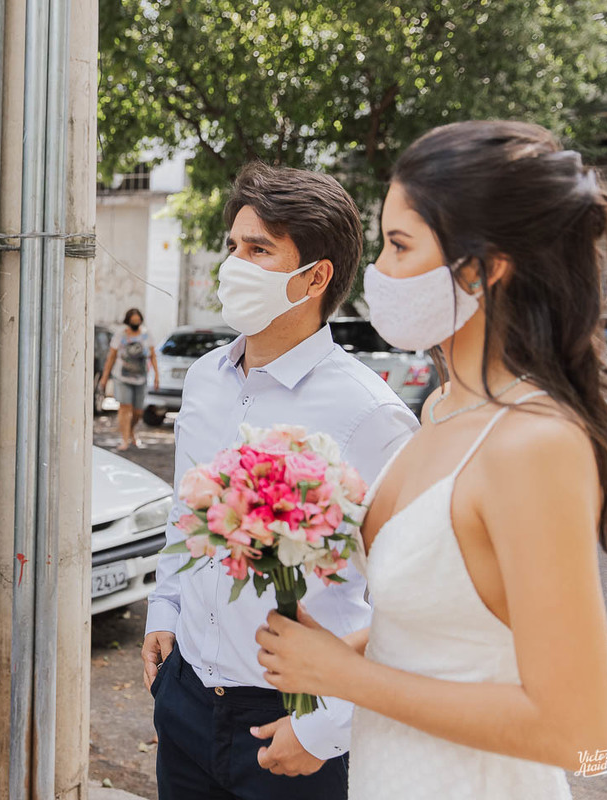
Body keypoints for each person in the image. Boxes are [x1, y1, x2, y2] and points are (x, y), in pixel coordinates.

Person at [256, 120, 607, 799]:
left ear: (484, 268)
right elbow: (448, 628)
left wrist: (344, 678)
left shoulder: (532, 443)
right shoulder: (444, 406)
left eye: (400, 245)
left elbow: (582, 735)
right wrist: (333, 659)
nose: (381, 272)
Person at [141, 162, 419, 800]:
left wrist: (326, 729)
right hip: (184, 702)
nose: (233, 265)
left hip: (294, 720)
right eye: (233, 246)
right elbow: (186, 518)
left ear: (315, 277)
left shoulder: (369, 415)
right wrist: (165, 611)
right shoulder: (207, 378)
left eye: (259, 250)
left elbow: (407, 604)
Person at [101, 307, 160, 450]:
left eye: (138, 320)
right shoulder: (120, 335)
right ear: (128, 321)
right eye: (133, 320)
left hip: (141, 377)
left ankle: (131, 431)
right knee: (125, 407)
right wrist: (105, 376)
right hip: (122, 377)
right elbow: (112, 356)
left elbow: (152, 356)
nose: (136, 322)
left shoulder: (146, 334)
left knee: (138, 411)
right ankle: (125, 439)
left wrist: (157, 375)